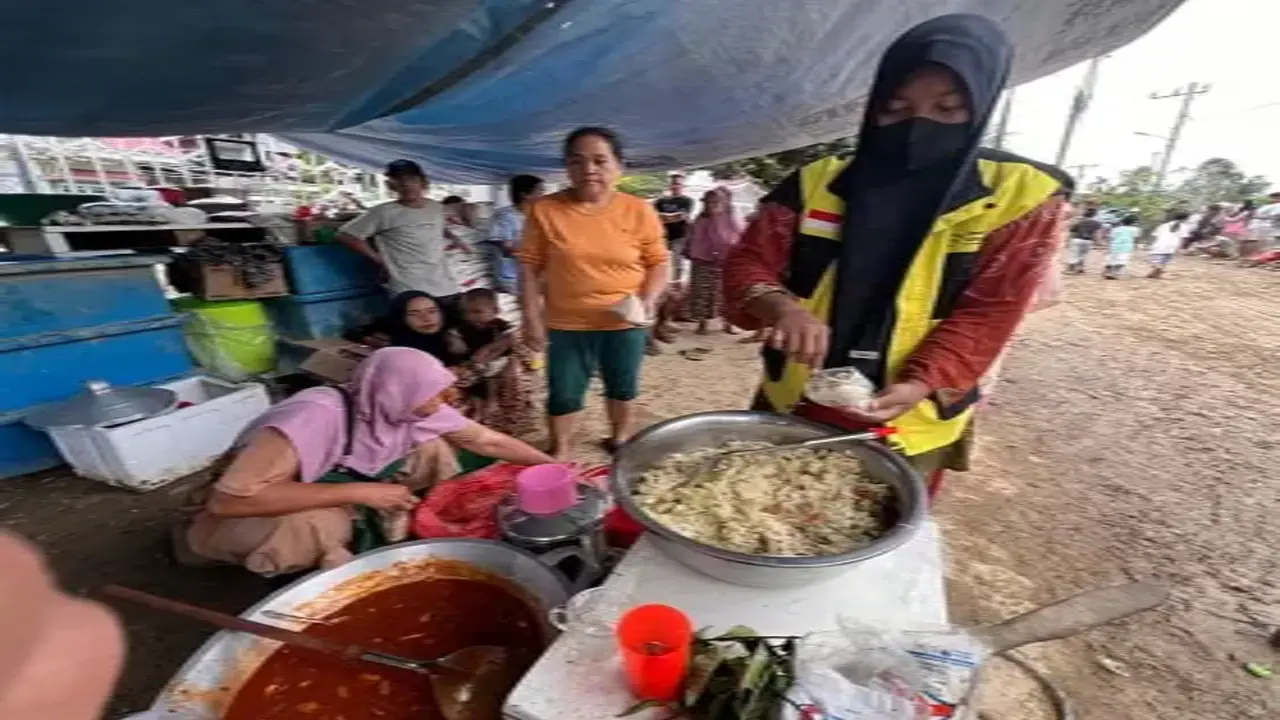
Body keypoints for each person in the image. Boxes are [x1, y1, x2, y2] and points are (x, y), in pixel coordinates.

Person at [722, 13, 1071, 498]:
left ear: (981, 107)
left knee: (879, 517)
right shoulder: (816, 181)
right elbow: (748, 262)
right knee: (762, 503)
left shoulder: (1021, 197)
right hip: (798, 392)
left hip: (911, 411)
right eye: (897, 108)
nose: (916, 127)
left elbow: (991, 310)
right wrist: (782, 307)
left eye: (947, 109)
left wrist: (922, 381)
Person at [176, 348, 554, 576]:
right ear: (392, 389)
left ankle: (401, 520)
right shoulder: (314, 415)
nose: (446, 401)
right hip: (242, 510)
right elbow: (229, 500)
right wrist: (362, 493)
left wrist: (551, 467)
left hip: (337, 485)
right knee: (315, 525)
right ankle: (226, 548)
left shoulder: (405, 407)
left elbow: (487, 440)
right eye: (433, 393)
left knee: (432, 449)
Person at [519, 127, 670, 459]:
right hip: (566, 322)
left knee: (622, 384)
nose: (589, 169)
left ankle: (619, 438)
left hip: (624, 320)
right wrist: (531, 318)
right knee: (564, 390)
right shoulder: (545, 209)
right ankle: (560, 449)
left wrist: (647, 300)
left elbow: (658, 261)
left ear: (619, 166)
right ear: (567, 168)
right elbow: (528, 267)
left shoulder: (638, 210)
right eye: (578, 161)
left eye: (600, 161)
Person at [374, 291, 535, 436]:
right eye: (414, 314)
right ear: (401, 318)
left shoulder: (458, 331)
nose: (426, 319)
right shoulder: (398, 352)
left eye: (432, 311)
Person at [337, 160, 460, 306]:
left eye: (411, 179)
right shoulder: (382, 212)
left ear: (423, 182)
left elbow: (436, 228)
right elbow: (346, 235)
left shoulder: (435, 207)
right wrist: (379, 260)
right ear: (391, 185)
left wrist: (455, 239)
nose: (406, 185)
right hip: (408, 289)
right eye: (399, 180)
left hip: (445, 286)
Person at [684, 187, 742, 335]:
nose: (711, 205)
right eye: (708, 202)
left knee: (726, 292)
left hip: (725, 261)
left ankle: (728, 323)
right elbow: (691, 239)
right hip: (702, 261)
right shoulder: (701, 219)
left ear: (724, 203)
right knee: (701, 291)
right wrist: (690, 251)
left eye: (715, 202)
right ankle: (702, 323)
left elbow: (738, 238)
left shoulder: (731, 219)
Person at [453, 288, 517, 419]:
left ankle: (495, 400)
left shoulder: (500, 326)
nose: (470, 316)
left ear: (495, 311)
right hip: (475, 364)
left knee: (499, 377)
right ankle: (477, 404)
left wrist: (490, 353)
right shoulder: (465, 328)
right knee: (471, 380)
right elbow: (456, 341)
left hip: (498, 360)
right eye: (466, 312)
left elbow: (509, 341)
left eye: (477, 312)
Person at [486, 175, 545, 294]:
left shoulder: (537, 215)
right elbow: (506, 249)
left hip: (535, 274)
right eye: (539, 191)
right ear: (524, 195)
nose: (543, 195)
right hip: (512, 278)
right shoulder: (504, 216)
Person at [654, 173, 695, 280]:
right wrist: (672, 216)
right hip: (663, 235)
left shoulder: (687, 201)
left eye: (678, 184)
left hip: (680, 236)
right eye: (673, 183)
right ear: (669, 185)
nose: (676, 186)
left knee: (678, 263)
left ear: (683, 185)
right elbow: (654, 217)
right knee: (658, 262)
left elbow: (682, 216)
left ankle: (676, 283)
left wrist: (665, 216)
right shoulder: (661, 201)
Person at [1147, 210, 1190, 278]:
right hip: (1172, 246)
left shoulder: (1164, 225)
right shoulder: (1184, 227)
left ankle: (1158, 269)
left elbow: (1155, 235)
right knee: (1164, 261)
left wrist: (1150, 244)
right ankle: (1157, 273)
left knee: (1154, 261)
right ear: (1186, 219)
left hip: (1160, 244)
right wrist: (1180, 248)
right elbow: (1183, 239)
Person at [1066, 206, 1103, 274]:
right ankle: (1080, 268)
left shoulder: (1079, 221)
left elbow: (1072, 230)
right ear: (1094, 215)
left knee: (1074, 254)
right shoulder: (1097, 223)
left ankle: (1071, 269)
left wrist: (1068, 240)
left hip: (1077, 239)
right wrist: (1099, 242)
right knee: (1082, 255)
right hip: (1088, 241)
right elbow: (1097, 234)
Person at [1104, 214, 1141, 279]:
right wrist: (1136, 246)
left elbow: (1111, 238)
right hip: (1126, 247)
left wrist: (1108, 246)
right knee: (1121, 261)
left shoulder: (1116, 229)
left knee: (1112, 259)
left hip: (1115, 245)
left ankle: (1108, 271)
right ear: (1134, 222)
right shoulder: (1135, 229)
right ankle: (1115, 273)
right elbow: (1136, 238)